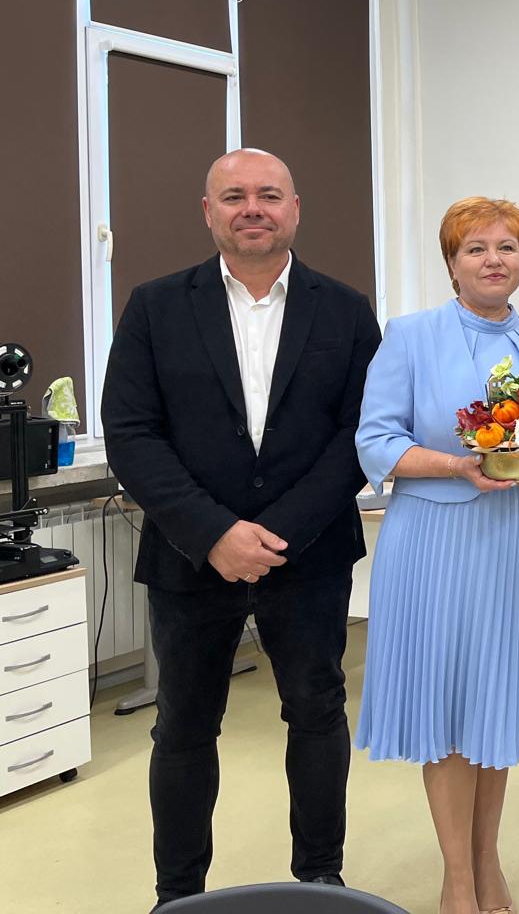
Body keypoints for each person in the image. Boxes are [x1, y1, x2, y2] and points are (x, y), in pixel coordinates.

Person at [101, 149, 381, 909]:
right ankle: (177, 894)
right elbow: (131, 432)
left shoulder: (345, 309)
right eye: (233, 196)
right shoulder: (155, 307)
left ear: (294, 209)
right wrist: (215, 533)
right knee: (184, 728)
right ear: (208, 212)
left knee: (316, 714)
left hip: (310, 556)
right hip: (190, 558)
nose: (252, 208)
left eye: (268, 195)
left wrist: (277, 533)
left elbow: (359, 433)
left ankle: (319, 878)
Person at [353, 197, 519, 914]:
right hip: (439, 546)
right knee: (451, 712)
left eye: (506, 247)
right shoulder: (410, 337)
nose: (493, 260)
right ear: (451, 264)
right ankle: (458, 879)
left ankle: (488, 863)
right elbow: (376, 442)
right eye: (475, 248)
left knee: (495, 706)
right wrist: (458, 465)